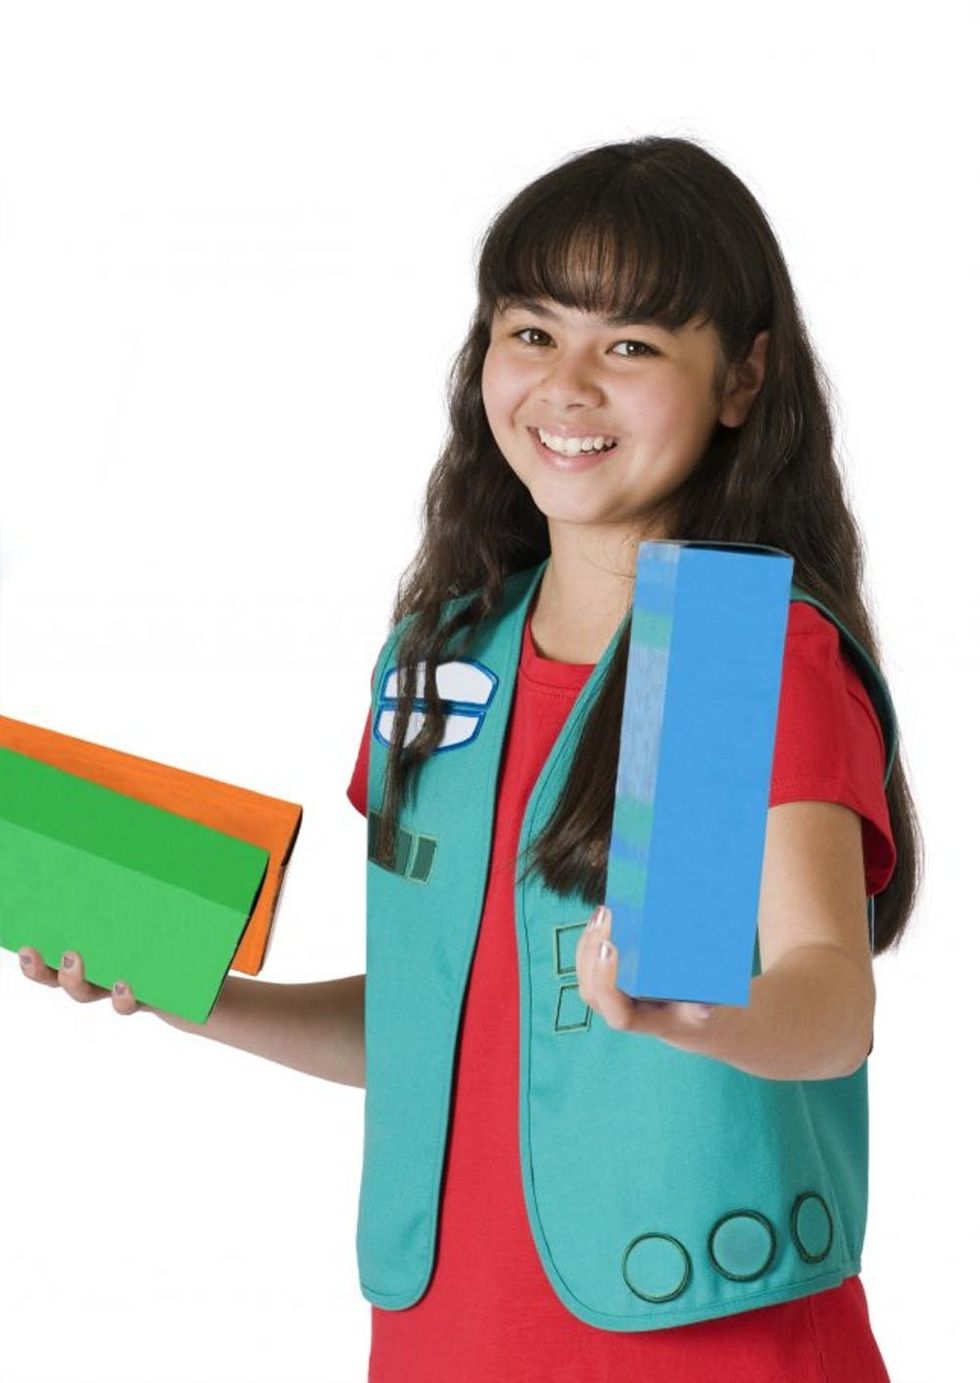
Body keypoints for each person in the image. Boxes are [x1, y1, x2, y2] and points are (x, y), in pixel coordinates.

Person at [18, 135, 923, 1382]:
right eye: (531, 332)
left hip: (692, 1343)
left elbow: (829, 1000)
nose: (565, 386)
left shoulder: (718, 656)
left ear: (740, 378)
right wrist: (190, 990)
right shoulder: (442, 660)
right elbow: (429, 1025)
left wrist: (696, 1013)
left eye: (632, 345)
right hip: (445, 1334)